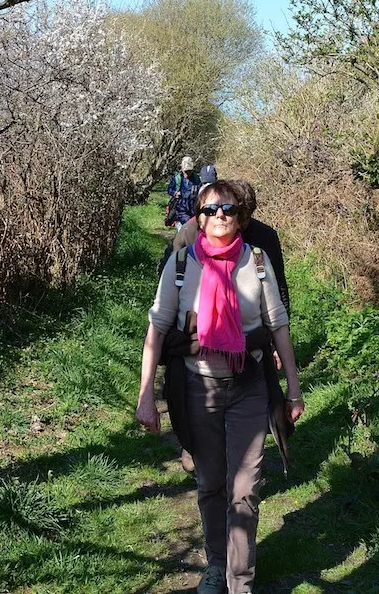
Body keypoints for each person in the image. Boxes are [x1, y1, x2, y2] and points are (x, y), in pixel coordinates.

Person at [137, 180, 304, 594]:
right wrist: (146, 397)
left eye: (227, 209)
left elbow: (278, 325)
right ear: (199, 217)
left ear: (240, 217)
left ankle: (240, 581)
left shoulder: (257, 262)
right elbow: (157, 330)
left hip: (249, 387)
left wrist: (294, 389)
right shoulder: (181, 265)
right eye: (210, 210)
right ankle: (216, 564)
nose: (219, 216)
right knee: (211, 483)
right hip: (198, 389)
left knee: (245, 490)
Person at [174, 178, 290, 316]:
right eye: (231, 212)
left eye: (247, 217)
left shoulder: (265, 236)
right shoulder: (190, 233)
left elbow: (278, 285)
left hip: (254, 321)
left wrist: (283, 322)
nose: (242, 223)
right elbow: (171, 289)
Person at [167, 155, 201, 232]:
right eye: (186, 171)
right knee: (183, 230)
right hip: (179, 209)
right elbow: (169, 189)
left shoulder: (196, 178)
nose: (187, 173)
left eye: (189, 171)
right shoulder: (177, 178)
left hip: (193, 209)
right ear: (182, 169)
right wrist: (174, 193)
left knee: (192, 231)